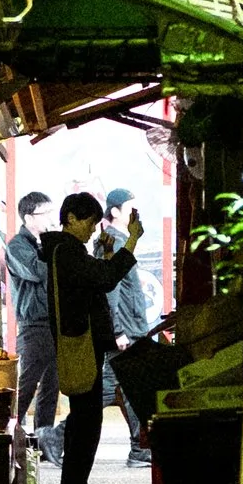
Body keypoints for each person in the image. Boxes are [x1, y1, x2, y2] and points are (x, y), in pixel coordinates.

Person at [37, 192, 132, 484]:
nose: (92, 229)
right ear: (71, 219)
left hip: (81, 342)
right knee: (87, 422)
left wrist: (104, 252)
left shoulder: (67, 251)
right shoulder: (66, 251)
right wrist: (130, 244)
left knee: (83, 420)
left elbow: (94, 279)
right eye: (89, 222)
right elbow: (104, 280)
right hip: (81, 344)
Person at [97, 186, 155, 458]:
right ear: (115, 211)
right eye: (130, 209)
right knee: (116, 388)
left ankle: (139, 445)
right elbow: (112, 290)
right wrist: (118, 330)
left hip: (129, 328)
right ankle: (56, 437)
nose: (135, 215)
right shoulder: (114, 243)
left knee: (129, 386)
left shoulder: (121, 239)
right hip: (125, 331)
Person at [4, 190, 60, 464]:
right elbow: (39, 272)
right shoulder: (17, 246)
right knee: (26, 384)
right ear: (28, 217)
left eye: (52, 212)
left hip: (53, 323)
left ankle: (41, 443)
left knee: (51, 386)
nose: (51, 218)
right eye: (45, 214)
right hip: (33, 324)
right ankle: (7, 433)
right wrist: (53, 249)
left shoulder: (44, 243)